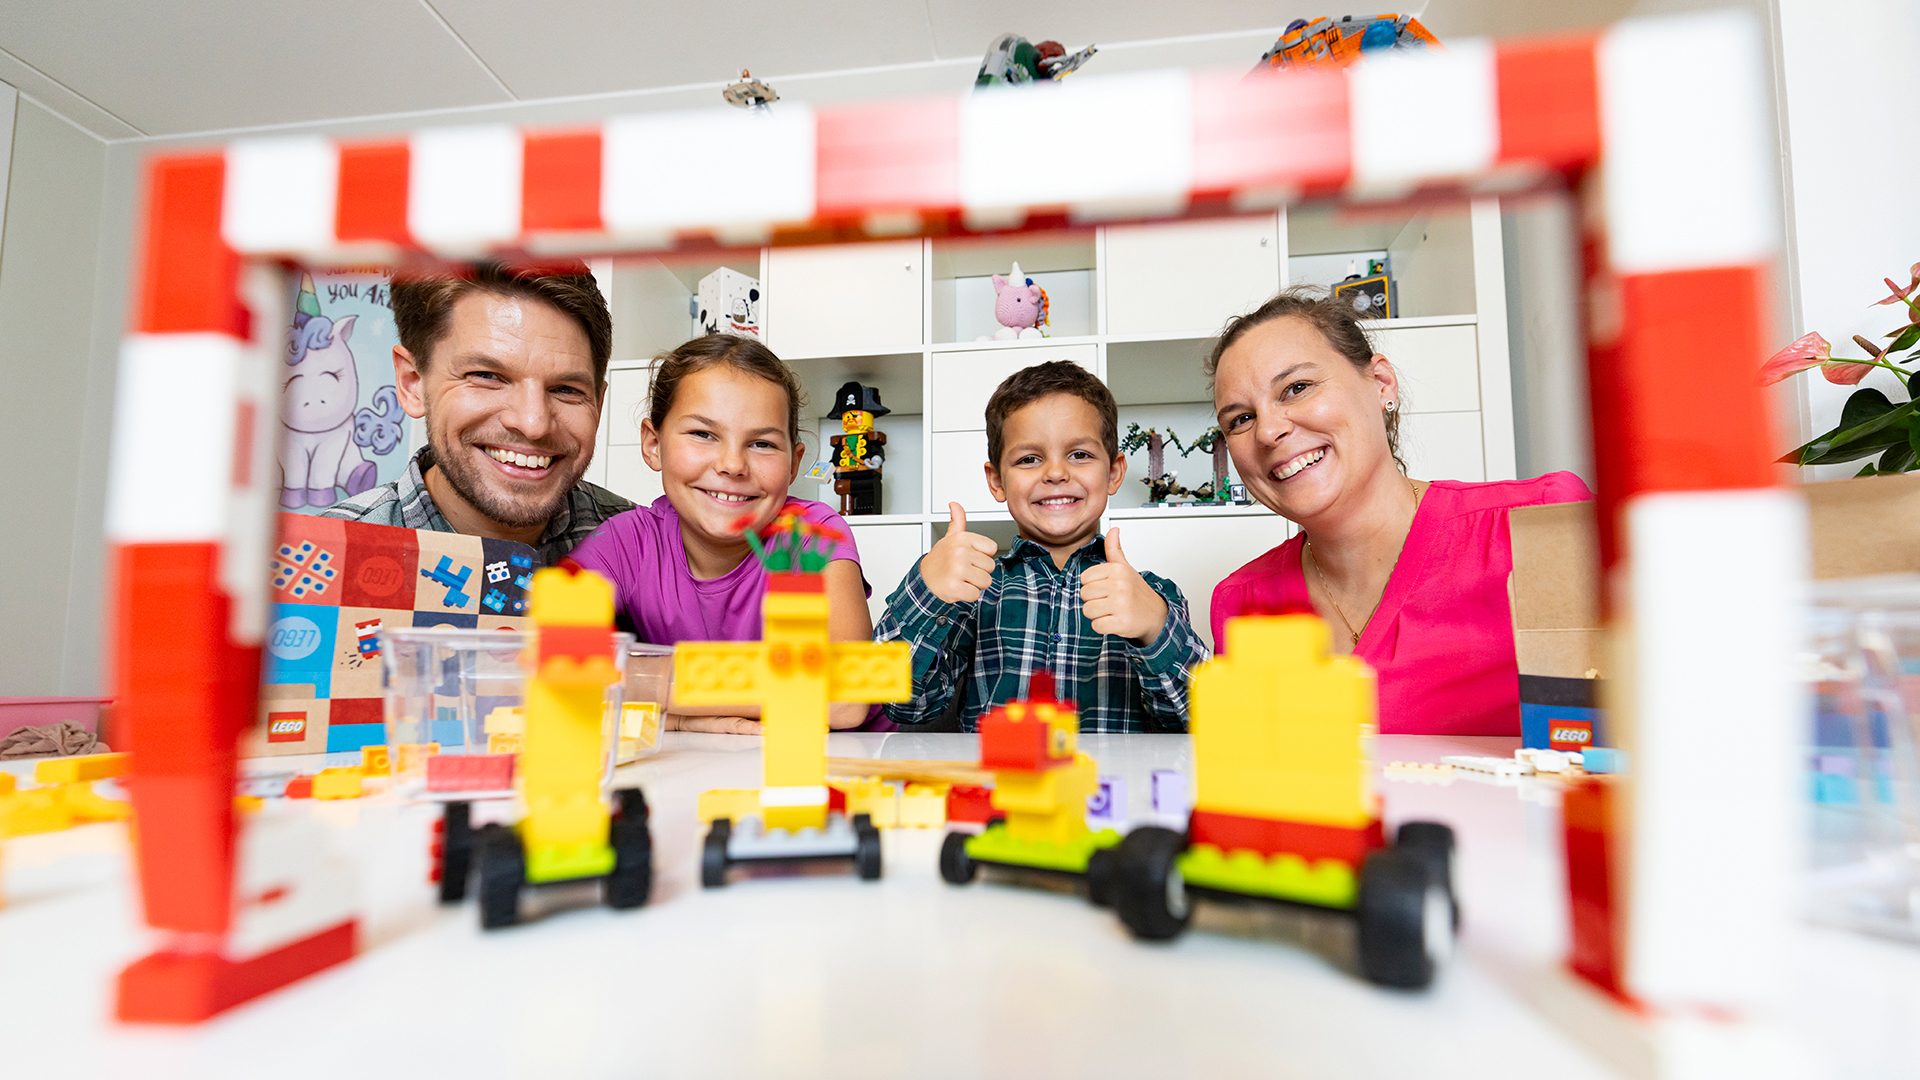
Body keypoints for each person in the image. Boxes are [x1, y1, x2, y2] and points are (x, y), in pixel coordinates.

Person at [1206, 288, 1591, 736]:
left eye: (1296, 388)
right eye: (1240, 419)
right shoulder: (1241, 602)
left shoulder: (1537, 524)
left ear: (1381, 385)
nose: (1269, 430)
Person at [875, 361, 1207, 733]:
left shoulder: (1153, 594)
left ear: (1113, 472)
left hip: (1114, 790)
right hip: (998, 789)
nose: (1055, 472)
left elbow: (1201, 720)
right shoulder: (975, 588)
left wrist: (1155, 627)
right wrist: (926, 590)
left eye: (1079, 454)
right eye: (1029, 459)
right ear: (997, 480)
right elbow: (900, 704)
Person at [569, 335, 872, 735]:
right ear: (653, 443)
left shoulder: (812, 534)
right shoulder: (622, 544)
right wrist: (679, 720)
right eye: (703, 434)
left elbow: (848, 694)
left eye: (762, 444)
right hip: (700, 767)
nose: (732, 464)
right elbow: (550, 661)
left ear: (794, 463)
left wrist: (649, 684)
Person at [321, 260, 632, 563]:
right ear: (412, 383)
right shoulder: (328, 559)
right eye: (486, 376)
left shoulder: (650, 548)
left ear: (598, 403)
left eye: (566, 389)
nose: (533, 423)